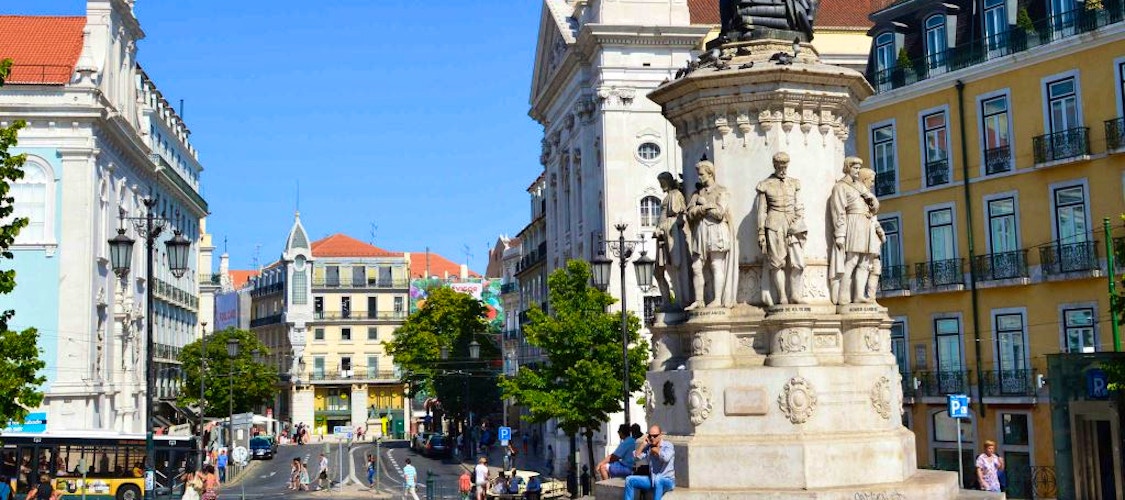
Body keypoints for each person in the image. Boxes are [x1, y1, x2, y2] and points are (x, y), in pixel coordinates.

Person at [685, 159, 738, 309]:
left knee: (716, 265)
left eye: (701, 174)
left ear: (710, 174)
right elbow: (690, 213)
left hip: (716, 230)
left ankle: (717, 299)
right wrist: (705, 207)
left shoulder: (721, 191)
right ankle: (699, 300)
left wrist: (704, 206)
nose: (699, 178)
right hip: (701, 231)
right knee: (696, 266)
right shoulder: (697, 194)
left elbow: (720, 214)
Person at [756, 152, 807, 305]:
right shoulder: (765, 184)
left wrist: (799, 221)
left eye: (785, 165)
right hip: (774, 223)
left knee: (797, 262)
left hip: (793, 223)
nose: (783, 169)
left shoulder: (794, 183)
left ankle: (796, 294)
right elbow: (761, 211)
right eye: (780, 166)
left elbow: (799, 205)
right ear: (775, 165)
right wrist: (760, 232)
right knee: (777, 262)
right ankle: (783, 296)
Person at [829, 157, 876, 305]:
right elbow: (838, 211)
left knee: (864, 262)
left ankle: (858, 295)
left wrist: (873, 203)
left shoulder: (861, 186)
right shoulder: (840, 187)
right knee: (851, 260)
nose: (857, 170)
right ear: (848, 167)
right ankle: (843, 295)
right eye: (855, 167)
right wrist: (840, 234)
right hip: (853, 222)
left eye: (858, 168)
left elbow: (875, 205)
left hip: (865, 222)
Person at [655, 171, 691, 309]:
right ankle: (667, 302)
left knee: (673, 268)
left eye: (662, 183)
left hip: (670, 235)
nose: (660, 186)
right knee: (658, 272)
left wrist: (661, 228)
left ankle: (677, 300)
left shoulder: (675, 195)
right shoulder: (669, 196)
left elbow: (676, 217)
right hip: (663, 237)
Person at [623, 425, 675, 500]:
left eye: (655, 436)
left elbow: (666, 458)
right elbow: (635, 458)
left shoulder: (668, 446)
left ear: (660, 435)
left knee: (658, 479)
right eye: (650, 436)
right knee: (629, 480)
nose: (652, 438)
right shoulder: (649, 447)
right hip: (652, 480)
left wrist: (656, 450)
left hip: (667, 481)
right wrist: (643, 445)